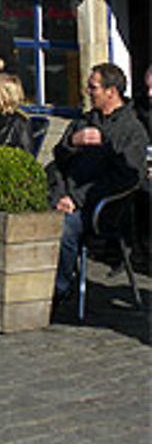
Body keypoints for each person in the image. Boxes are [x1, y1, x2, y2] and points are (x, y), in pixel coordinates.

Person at [48, 63, 146, 302]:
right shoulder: (85, 121)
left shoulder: (131, 130)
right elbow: (58, 161)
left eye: (93, 88)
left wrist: (77, 199)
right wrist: (72, 141)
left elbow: (124, 178)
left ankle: (59, 288)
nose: (88, 92)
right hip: (67, 198)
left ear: (111, 91)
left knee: (64, 227)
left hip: (101, 208)